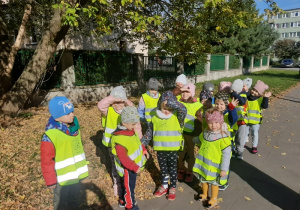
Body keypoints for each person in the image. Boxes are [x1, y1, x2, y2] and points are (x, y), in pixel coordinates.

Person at [41, 96, 89, 210]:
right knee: (61, 203)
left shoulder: (74, 129)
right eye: (68, 113)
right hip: (61, 180)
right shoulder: (50, 136)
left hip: (75, 176)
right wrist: (51, 181)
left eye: (72, 111)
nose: (72, 114)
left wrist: (83, 173)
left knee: (75, 201)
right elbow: (46, 160)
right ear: (57, 118)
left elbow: (77, 151)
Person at [141, 91, 187, 201]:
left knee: (172, 168)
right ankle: (164, 186)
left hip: (172, 149)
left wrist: (170, 103)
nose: (167, 111)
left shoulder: (178, 116)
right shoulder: (155, 117)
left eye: (170, 109)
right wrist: (142, 145)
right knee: (163, 168)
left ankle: (173, 187)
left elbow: (183, 109)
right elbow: (149, 133)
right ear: (159, 106)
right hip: (160, 149)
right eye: (165, 108)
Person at [97, 86, 142, 197]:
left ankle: (126, 182)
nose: (117, 105)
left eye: (120, 102)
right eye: (115, 102)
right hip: (112, 145)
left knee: (126, 163)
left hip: (126, 143)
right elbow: (100, 105)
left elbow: (134, 117)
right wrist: (113, 98)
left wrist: (124, 99)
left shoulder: (127, 111)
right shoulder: (109, 111)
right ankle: (117, 183)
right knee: (115, 165)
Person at [193, 108, 231, 209]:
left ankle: (213, 198)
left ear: (221, 122)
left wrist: (224, 169)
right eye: (210, 123)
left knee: (214, 183)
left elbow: (226, 155)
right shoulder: (206, 133)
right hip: (204, 165)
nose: (213, 125)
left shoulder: (223, 138)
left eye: (216, 122)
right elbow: (200, 139)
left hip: (215, 168)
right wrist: (193, 140)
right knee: (204, 181)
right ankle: (204, 194)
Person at [111, 107, 149, 210]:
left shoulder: (130, 131)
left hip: (132, 167)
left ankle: (123, 201)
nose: (135, 126)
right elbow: (123, 158)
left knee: (127, 186)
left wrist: (144, 149)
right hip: (128, 169)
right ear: (124, 123)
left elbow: (137, 142)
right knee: (129, 189)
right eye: (133, 124)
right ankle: (130, 206)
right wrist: (135, 167)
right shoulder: (120, 139)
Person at [177, 83, 202, 182]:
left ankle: (190, 171)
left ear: (192, 93)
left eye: (187, 92)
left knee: (191, 153)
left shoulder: (197, 105)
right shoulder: (179, 102)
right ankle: (181, 169)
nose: (184, 94)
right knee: (181, 152)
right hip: (180, 133)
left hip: (190, 135)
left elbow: (199, 121)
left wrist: (197, 134)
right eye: (183, 92)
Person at [214, 91, 238, 191]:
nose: (219, 106)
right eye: (217, 104)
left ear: (226, 104)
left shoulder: (228, 114)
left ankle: (224, 182)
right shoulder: (214, 113)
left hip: (227, 143)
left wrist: (232, 108)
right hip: (216, 142)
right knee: (217, 161)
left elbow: (234, 119)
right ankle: (216, 177)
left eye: (221, 104)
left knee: (225, 163)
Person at [246, 80, 271, 155]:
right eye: (253, 90)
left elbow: (265, 106)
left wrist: (266, 98)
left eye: (256, 91)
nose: (253, 92)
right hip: (246, 119)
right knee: (245, 133)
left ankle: (254, 146)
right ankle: (243, 143)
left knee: (254, 134)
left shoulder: (260, 99)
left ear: (260, 94)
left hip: (255, 121)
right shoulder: (247, 97)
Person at [234, 78, 252, 160]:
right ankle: (234, 150)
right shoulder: (233, 94)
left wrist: (236, 94)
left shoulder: (243, 94)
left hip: (242, 119)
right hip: (234, 119)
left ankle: (240, 151)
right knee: (234, 135)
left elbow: (242, 101)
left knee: (241, 137)